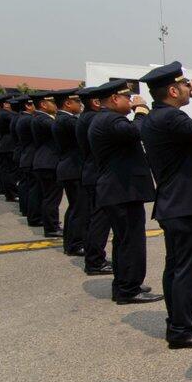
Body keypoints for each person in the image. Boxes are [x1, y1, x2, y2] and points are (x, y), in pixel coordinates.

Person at [138, 62, 192, 349]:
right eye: (187, 85)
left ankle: (181, 319)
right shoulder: (170, 119)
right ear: (173, 90)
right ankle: (180, 330)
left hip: (174, 203)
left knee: (176, 266)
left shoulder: (155, 117)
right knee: (188, 268)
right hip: (185, 205)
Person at [88, 80, 162, 304]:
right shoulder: (111, 120)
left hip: (118, 190)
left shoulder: (103, 119)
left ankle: (124, 284)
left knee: (123, 240)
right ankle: (129, 289)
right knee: (130, 241)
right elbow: (136, 131)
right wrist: (141, 111)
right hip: (122, 190)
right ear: (114, 99)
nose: (130, 102)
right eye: (127, 98)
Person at [76, 87, 113, 275]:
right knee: (100, 220)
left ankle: (93, 257)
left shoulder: (85, 118)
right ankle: (95, 261)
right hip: (96, 172)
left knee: (93, 218)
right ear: (96, 102)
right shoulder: (93, 118)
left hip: (90, 171)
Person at [52, 88, 86, 255]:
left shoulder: (62, 119)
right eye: (78, 101)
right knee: (79, 208)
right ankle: (75, 243)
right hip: (73, 168)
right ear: (67, 103)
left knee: (75, 208)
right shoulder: (67, 120)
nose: (80, 105)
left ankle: (71, 242)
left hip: (70, 167)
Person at [31, 91, 65, 238]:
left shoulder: (40, 118)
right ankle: (51, 227)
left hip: (44, 161)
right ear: (44, 105)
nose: (55, 105)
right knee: (52, 197)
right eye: (52, 102)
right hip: (48, 162)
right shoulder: (43, 120)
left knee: (49, 196)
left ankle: (51, 224)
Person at [15, 96, 42, 227]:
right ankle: (34, 216)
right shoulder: (29, 120)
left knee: (27, 186)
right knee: (34, 189)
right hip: (31, 156)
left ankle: (27, 211)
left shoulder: (21, 118)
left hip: (26, 155)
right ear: (28, 106)